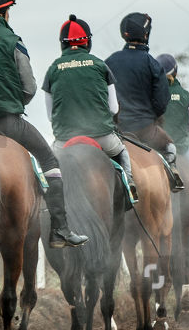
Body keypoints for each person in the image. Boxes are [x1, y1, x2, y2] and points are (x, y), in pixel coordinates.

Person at [0, 0, 87, 248]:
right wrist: (13, 103)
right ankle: (60, 229)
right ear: (3, 13)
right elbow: (28, 86)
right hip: (7, 122)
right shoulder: (12, 41)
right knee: (49, 160)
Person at [41, 15, 138, 202]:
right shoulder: (100, 65)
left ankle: (47, 203)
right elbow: (113, 108)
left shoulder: (53, 69)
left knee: (48, 168)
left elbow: (50, 116)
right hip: (101, 137)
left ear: (63, 44)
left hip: (65, 140)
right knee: (123, 154)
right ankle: (129, 186)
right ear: (87, 42)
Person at [105, 13, 183, 190]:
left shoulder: (109, 61)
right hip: (146, 131)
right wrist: (151, 116)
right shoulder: (152, 63)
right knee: (170, 146)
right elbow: (162, 102)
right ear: (146, 35)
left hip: (117, 132)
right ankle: (174, 177)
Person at [157, 53, 189, 166]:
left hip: (157, 147)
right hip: (181, 148)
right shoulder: (185, 95)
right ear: (175, 71)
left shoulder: (152, 93)